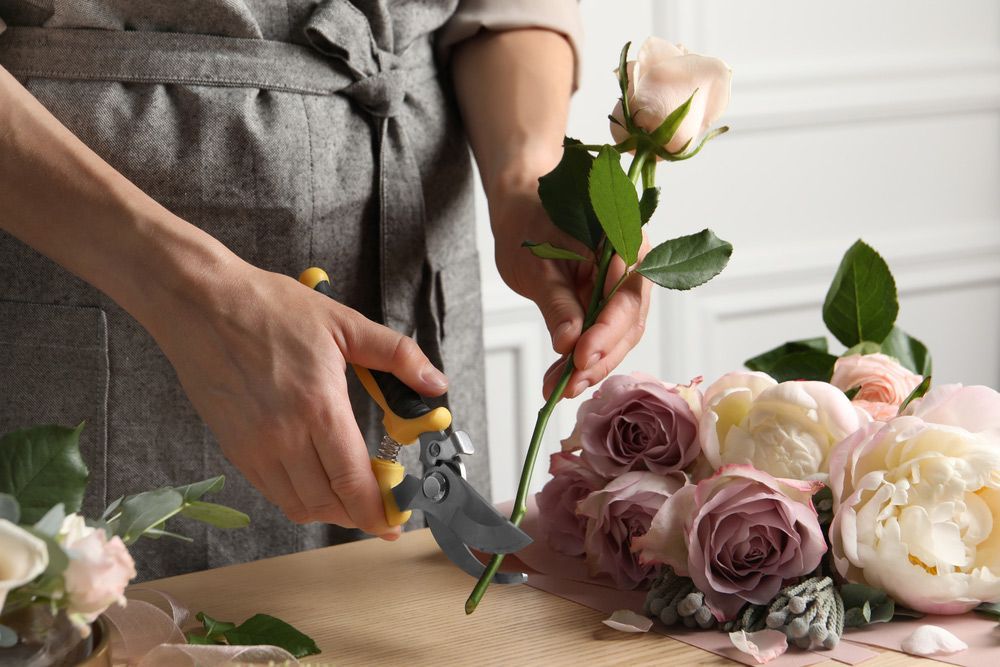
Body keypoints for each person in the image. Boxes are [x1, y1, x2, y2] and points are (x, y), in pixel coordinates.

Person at [0, 0, 649, 580]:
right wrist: (187, 293)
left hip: (415, 232)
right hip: (88, 259)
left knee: (416, 615)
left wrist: (526, 181)